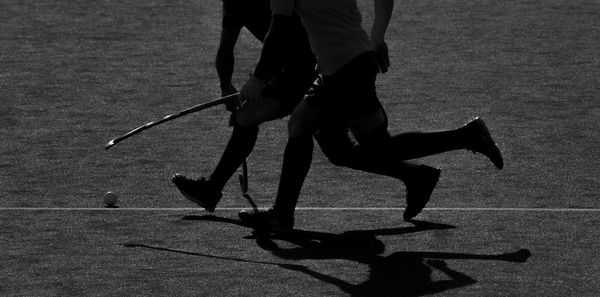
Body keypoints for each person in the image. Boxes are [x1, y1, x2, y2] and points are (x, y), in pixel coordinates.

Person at [237, 0, 503, 230]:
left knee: (377, 148)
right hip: (345, 64)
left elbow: (279, 31)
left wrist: (258, 79)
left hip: (344, 69)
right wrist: (377, 36)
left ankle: (468, 136)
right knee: (308, 127)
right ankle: (282, 214)